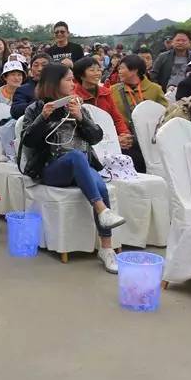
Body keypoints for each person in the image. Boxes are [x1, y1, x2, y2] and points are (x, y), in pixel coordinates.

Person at [19, 65, 126, 273]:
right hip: (53, 169)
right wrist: (43, 118)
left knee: (101, 188)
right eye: (68, 80)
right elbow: (28, 142)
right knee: (76, 157)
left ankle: (106, 249)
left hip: (81, 168)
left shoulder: (77, 106)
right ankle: (102, 210)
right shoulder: (36, 108)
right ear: (54, 82)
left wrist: (81, 118)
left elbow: (96, 137)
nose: (73, 84)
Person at [72, 56, 134, 155]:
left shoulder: (105, 93)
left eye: (99, 69)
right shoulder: (73, 96)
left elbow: (117, 118)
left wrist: (124, 134)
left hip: (110, 139)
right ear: (81, 75)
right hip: (88, 143)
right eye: (92, 70)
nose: (97, 73)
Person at [10, 53, 52, 118]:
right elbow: (15, 111)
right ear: (31, 70)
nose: (39, 69)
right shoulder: (23, 89)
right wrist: (39, 103)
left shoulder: (60, 86)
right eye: (36, 65)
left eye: (44, 65)